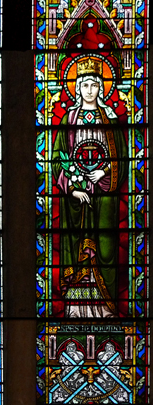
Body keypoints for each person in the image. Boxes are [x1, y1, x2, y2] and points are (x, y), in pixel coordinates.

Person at [52, 56, 127, 318]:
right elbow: (57, 159)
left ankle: (105, 307)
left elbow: (122, 158)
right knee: (76, 251)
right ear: (77, 88)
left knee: (104, 246)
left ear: (102, 88)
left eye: (94, 85)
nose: (89, 90)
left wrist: (103, 172)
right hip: (76, 199)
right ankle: (75, 308)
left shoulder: (110, 121)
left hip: (104, 195)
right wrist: (73, 188)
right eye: (84, 85)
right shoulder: (69, 120)